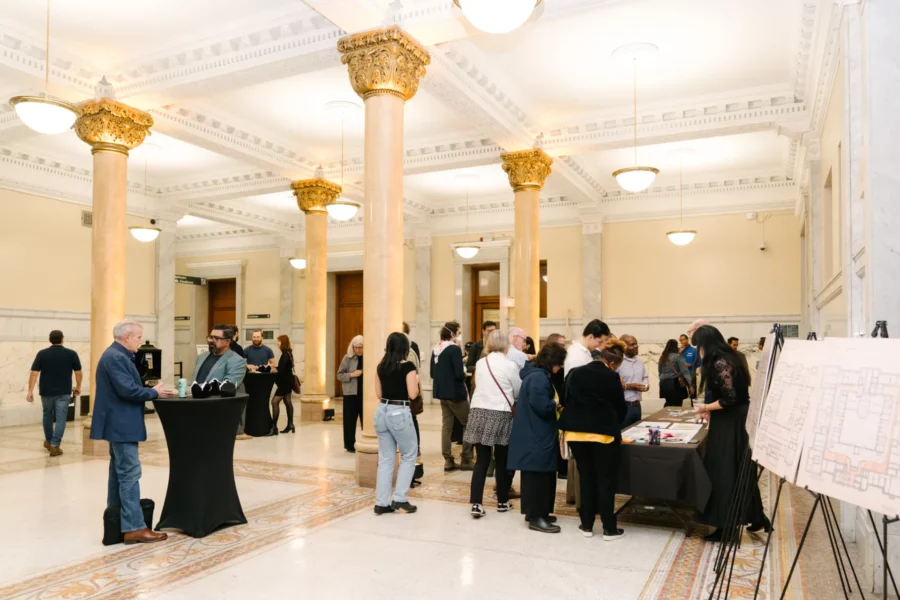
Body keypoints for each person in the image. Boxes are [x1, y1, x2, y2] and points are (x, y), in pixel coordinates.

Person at [91, 320, 175, 544]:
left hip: (118, 424)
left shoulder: (117, 355)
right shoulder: (116, 357)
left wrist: (150, 391)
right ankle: (134, 527)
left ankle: (117, 520)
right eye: (138, 337)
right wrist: (154, 393)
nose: (140, 341)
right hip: (122, 425)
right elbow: (127, 390)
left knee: (118, 473)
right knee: (129, 473)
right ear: (126, 337)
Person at [692, 325, 769, 541]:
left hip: (731, 421)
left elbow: (730, 398)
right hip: (733, 419)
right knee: (738, 469)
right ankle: (755, 516)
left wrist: (705, 407)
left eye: (699, 346)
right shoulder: (730, 357)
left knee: (724, 471)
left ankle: (726, 527)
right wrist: (710, 410)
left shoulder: (720, 362)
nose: (698, 351)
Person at [559, 338, 628, 540]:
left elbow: (564, 400)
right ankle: (609, 528)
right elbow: (620, 408)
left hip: (575, 434)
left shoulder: (575, 372)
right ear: (612, 363)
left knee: (586, 477)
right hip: (603, 435)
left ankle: (586, 525)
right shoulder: (612, 377)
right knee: (605, 480)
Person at [508, 342, 568, 533]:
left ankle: (538, 512)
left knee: (542, 475)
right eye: (559, 364)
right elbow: (542, 406)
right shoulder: (538, 378)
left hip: (536, 433)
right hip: (536, 435)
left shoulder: (537, 375)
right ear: (552, 362)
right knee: (538, 477)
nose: (560, 368)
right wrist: (556, 403)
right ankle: (536, 517)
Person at [465, 329, 522, 519]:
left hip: (479, 412)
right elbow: (517, 391)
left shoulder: (481, 363)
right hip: (500, 413)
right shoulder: (510, 365)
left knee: (481, 461)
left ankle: (476, 504)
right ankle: (502, 501)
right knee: (502, 460)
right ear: (506, 344)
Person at [373, 332, 420, 515]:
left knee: (386, 459)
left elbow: (379, 394)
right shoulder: (408, 367)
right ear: (405, 348)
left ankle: (381, 503)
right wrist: (416, 380)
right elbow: (413, 394)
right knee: (409, 454)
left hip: (381, 411)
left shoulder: (380, 367)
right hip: (399, 411)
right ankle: (400, 499)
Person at [26, 330, 83, 456]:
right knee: (61, 418)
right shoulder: (71, 354)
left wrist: (30, 391)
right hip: (64, 392)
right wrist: (78, 386)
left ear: (50, 340)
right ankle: (55, 445)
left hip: (46, 392)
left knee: (47, 415)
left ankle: (48, 440)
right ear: (62, 339)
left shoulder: (42, 354)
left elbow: (34, 373)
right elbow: (78, 372)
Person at [193, 324, 249, 439]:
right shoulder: (202, 357)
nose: (211, 340)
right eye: (210, 337)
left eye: (216, 338)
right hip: (197, 410)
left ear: (227, 341)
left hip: (220, 414)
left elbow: (228, 387)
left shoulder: (237, 361)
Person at [431, 321, 473, 471]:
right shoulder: (454, 349)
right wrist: (465, 373)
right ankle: (466, 458)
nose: (459, 336)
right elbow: (459, 374)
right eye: (458, 333)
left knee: (447, 426)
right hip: (455, 393)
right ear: (452, 333)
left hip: (442, 393)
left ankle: (448, 459)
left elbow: (432, 373)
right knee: (469, 423)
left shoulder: (436, 349)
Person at [336, 335, 364, 452]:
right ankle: (349, 444)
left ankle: (367, 442)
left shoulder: (368, 358)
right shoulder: (347, 358)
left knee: (366, 420)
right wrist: (351, 374)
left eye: (360, 347)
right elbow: (339, 375)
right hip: (350, 394)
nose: (357, 350)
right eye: (355, 347)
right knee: (349, 420)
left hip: (364, 394)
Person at [267, 335, 297, 435]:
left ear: (283, 342)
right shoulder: (289, 353)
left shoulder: (285, 355)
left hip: (284, 383)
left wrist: (274, 369)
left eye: (279, 341)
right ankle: (290, 425)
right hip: (288, 381)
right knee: (288, 402)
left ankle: (274, 427)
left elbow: (282, 369)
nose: (277, 343)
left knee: (274, 402)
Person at [617, 335, 649, 427]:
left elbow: (645, 377)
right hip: (622, 406)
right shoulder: (618, 362)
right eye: (632, 344)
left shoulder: (640, 361)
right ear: (624, 346)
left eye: (636, 344)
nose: (636, 346)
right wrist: (629, 386)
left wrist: (645, 385)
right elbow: (611, 384)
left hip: (637, 406)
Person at [658, 339, 693, 407]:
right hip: (675, 383)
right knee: (677, 405)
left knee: (668, 403)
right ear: (675, 347)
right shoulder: (678, 357)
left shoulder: (662, 357)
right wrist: (690, 385)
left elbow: (660, 372)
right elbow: (685, 371)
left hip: (664, 383)